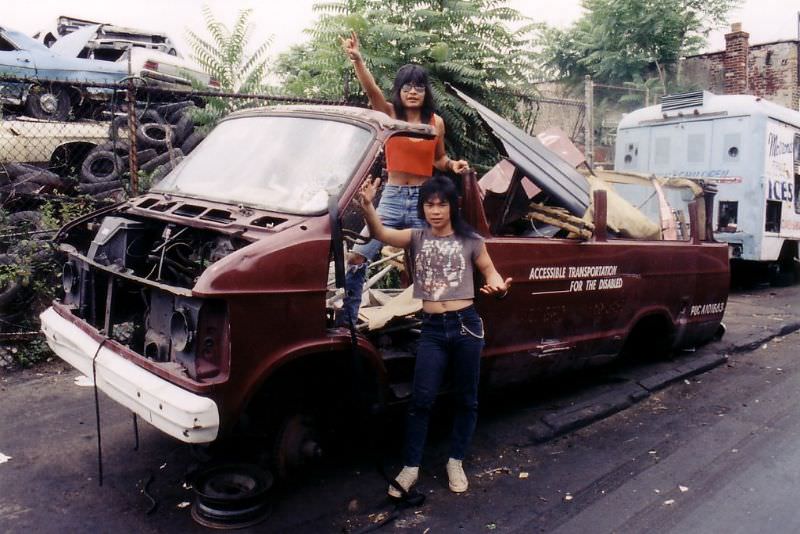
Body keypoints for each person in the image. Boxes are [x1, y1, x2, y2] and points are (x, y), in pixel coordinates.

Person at [357, 173, 512, 497]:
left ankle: (455, 461)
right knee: (421, 400)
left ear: (453, 206)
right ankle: (411, 467)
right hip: (432, 331)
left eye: (442, 204)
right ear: (422, 207)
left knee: (466, 399)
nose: (436, 210)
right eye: (430, 204)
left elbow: (491, 271)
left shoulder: (471, 240)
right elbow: (380, 232)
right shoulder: (416, 237)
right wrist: (369, 206)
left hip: (467, 326)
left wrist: (498, 288)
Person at [338, 31, 470, 326]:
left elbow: (438, 159)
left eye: (419, 87)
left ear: (425, 92)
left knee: (432, 263)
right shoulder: (388, 114)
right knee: (359, 257)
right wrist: (358, 59)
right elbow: (371, 89)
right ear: (399, 90)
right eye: (407, 87)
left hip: (425, 201)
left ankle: (437, 323)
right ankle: (346, 323)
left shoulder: (436, 122)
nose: (413, 92)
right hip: (393, 199)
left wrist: (454, 165)